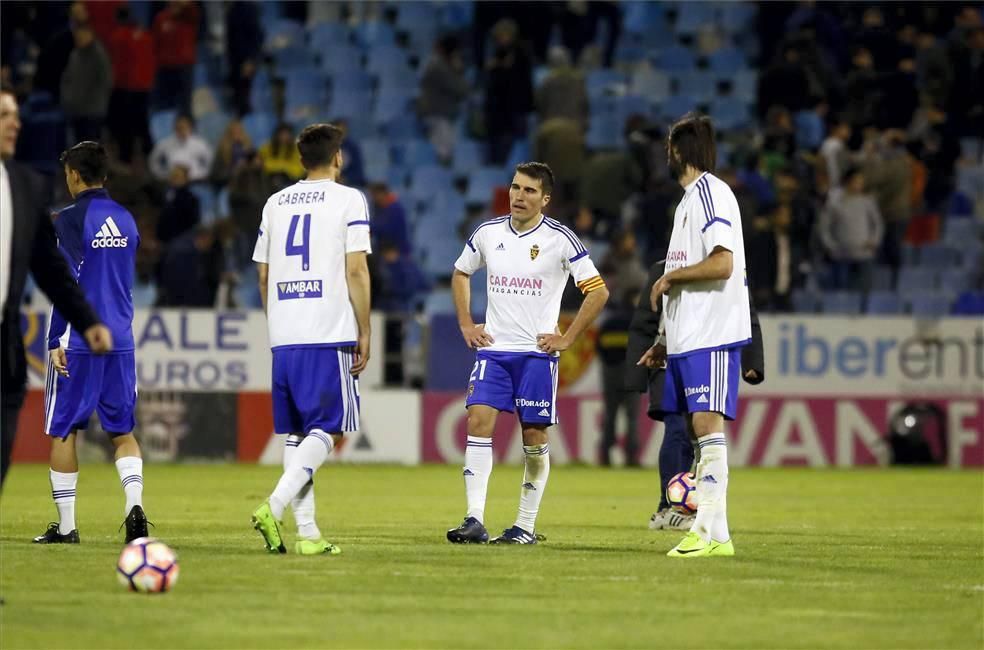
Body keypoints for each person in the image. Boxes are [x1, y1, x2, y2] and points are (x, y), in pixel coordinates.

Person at [446, 162, 609, 545]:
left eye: (530, 191)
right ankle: (473, 519)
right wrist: (467, 324)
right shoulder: (488, 233)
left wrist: (567, 338)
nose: (519, 196)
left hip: (536, 357)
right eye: (516, 188)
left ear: (545, 199)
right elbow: (460, 273)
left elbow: (598, 291)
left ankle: (524, 526)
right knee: (477, 422)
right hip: (495, 352)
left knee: (533, 437)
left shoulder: (561, 239)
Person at [250, 124, 372, 555]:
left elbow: (262, 274)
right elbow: (355, 269)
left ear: (301, 160)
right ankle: (274, 505)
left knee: (298, 433)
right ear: (338, 157)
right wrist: (366, 328)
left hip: (285, 333)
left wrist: (278, 321)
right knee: (331, 428)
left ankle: (308, 535)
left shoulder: (274, 203)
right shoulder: (349, 199)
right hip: (328, 330)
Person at [637, 113, 751, 558]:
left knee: (707, 430)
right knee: (697, 432)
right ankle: (717, 536)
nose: (665, 156)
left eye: (669, 148)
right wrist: (665, 339)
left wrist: (671, 278)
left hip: (712, 333)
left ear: (680, 151)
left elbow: (723, 263)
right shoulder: (686, 203)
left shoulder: (711, 193)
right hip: (687, 339)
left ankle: (703, 532)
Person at [31, 141, 147, 544]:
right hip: (121, 340)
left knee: (64, 430)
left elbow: (67, 282)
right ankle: (135, 507)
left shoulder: (68, 220)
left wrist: (54, 337)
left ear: (75, 175)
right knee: (123, 432)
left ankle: (66, 527)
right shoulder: (127, 220)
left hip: (79, 339)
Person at [0, 88, 111, 491]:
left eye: (15, 114)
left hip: (6, 342)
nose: (15, 122)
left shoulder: (26, 187)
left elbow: (51, 269)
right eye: (4, 115)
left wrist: (86, 322)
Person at [626, 260, 764, 531]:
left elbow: (745, 313)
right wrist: (636, 373)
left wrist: (753, 361)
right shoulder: (663, 268)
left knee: (696, 434)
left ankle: (693, 506)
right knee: (677, 428)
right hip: (666, 359)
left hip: (705, 355)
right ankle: (667, 508)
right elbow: (644, 319)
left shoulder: (726, 266)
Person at [818, 166, 883, 292]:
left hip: (864, 255)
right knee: (841, 293)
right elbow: (824, 227)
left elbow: (877, 224)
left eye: (861, 181)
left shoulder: (867, 201)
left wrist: (874, 241)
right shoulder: (834, 203)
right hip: (841, 256)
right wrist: (831, 246)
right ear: (848, 182)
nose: (860, 184)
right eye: (857, 181)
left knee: (864, 292)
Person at [60, 22, 113, 144]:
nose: (78, 38)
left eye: (81, 35)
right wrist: (67, 97)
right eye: (76, 36)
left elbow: (106, 81)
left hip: (93, 111)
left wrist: (97, 101)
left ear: (90, 34)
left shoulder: (99, 55)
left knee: (90, 146)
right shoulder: (75, 54)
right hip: (76, 109)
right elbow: (66, 79)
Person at [148, 113, 214, 182]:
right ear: (174, 128)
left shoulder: (200, 143)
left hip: (194, 180)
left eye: (184, 127)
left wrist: (201, 174)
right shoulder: (165, 143)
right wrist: (163, 175)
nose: (181, 131)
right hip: (173, 180)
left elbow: (211, 161)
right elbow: (153, 161)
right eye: (178, 128)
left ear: (190, 128)